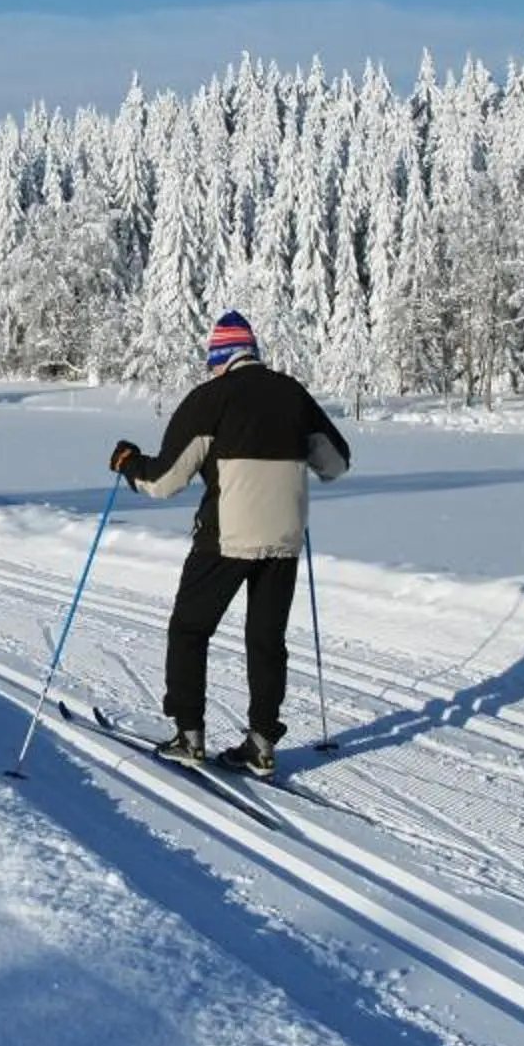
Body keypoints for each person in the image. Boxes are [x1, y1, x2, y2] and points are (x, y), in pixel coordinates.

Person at [108, 312, 349, 776]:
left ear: (218, 358)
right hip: (284, 538)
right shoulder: (293, 393)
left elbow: (163, 481)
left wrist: (128, 464)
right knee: (266, 639)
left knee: (190, 630)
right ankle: (261, 744)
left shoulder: (210, 398)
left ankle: (189, 735)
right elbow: (336, 465)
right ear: (252, 353)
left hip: (227, 537)